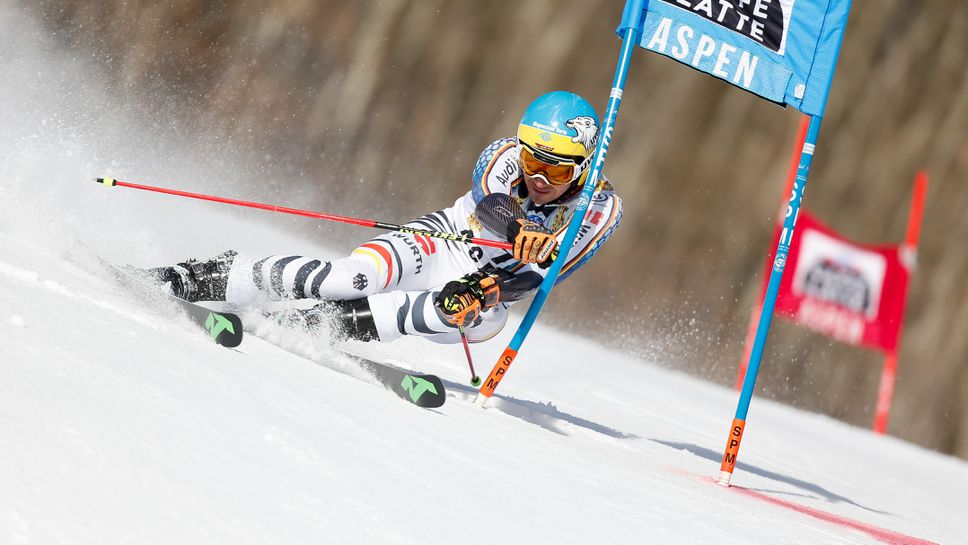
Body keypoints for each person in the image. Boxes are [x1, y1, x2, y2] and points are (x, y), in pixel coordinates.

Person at [149, 90, 623, 344]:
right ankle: (203, 276)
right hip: (444, 240)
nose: (539, 176)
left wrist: (488, 287)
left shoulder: (601, 209)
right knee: (352, 277)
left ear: (582, 166)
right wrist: (521, 230)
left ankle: (319, 328)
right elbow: (489, 204)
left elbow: (547, 277)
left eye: (555, 168)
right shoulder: (502, 153)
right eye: (532, 161)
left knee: (463, 311)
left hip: (491, 292)